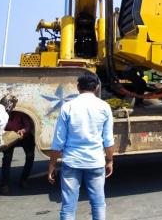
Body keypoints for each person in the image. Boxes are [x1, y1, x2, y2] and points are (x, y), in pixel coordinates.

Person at [48, 73, 115, 220]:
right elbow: (108, 140)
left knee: (68, 207)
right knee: (98, 204)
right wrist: (109, 160)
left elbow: (58, 140)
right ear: (97, 87)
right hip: (95, 162)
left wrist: (52, 164)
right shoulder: (104, 107)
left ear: (78, 87)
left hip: (72, 162)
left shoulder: (68, 107)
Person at [0, 110, 35, 195]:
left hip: (24, 136)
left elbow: (28, 125)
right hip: (9, 137)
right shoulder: (1, 115)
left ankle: (24, 179)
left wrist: (23, 130)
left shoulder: (20, 113)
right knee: (7, 158)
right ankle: (5, 184)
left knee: (30, 156)